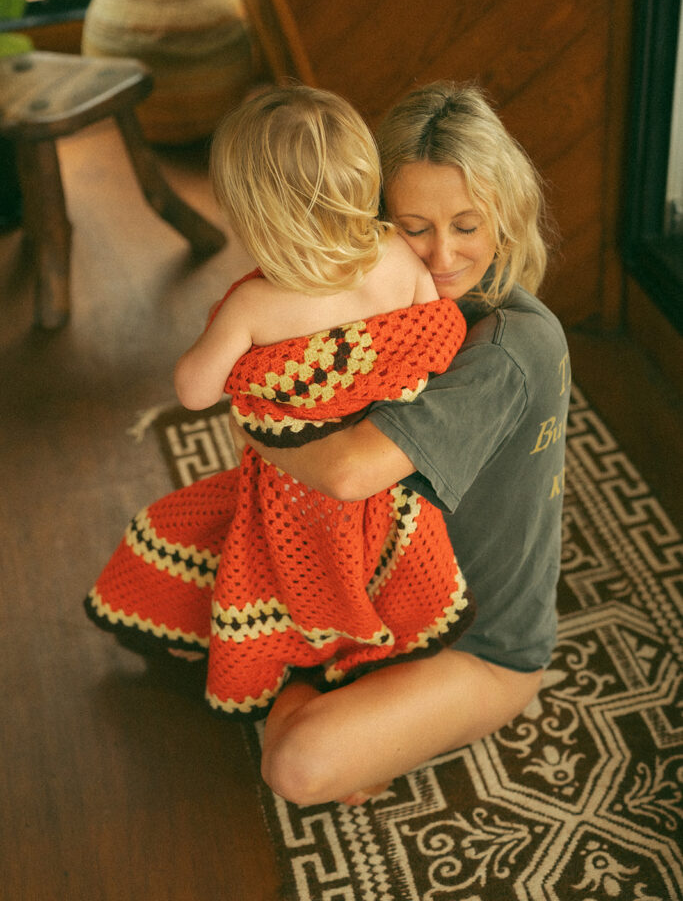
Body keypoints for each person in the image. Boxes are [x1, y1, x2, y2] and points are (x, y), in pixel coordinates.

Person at [84, 86, 474, 731]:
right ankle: (355, 667)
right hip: (390, 495)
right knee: (370, 589)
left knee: (177, 533)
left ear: (254, 216)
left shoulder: (256, 306)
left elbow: (194, 391)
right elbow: (436, 335)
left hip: (292, 501)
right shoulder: (398, 256)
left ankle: (267, 660)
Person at [235, 81, 570, 807]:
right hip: (385, 602)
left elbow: (351, 471)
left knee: (294, 767)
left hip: (479, 646)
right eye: (413, 225)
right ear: (372, 220)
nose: (442, 254)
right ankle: (314, 688)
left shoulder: (510, 345)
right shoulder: (392, 306)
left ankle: (300, 702)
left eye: (466, 225)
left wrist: (259, 420)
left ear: (506, 220)